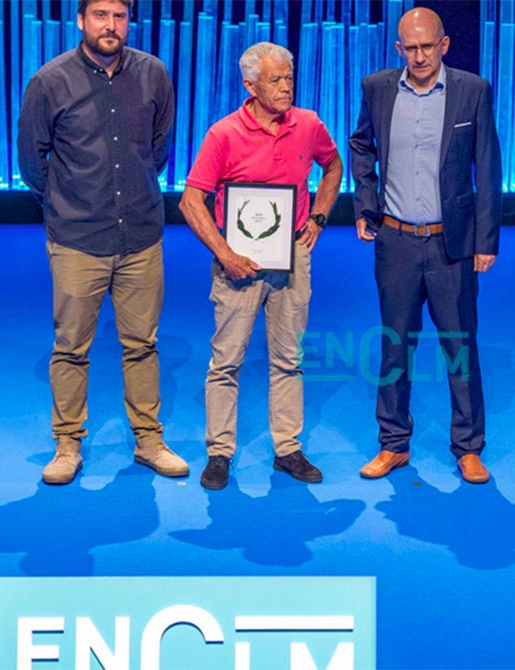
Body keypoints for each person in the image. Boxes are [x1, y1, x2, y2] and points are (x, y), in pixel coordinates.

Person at [18, 0, 186, 485]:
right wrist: (68, 202)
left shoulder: (154, 74)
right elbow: (33, 160)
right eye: (100, 15)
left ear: (128, 20)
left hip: (139, 233)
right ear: (80, 20)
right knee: (71, 346)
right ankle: (67, 446)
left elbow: (159, 147)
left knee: (142, 344)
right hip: (77, 237)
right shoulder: (50, 81)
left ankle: (149, 441)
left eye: (118, 15)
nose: (110, 26)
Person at [179, 42, 343, 491]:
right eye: (276, 80)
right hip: (238, 265)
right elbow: (191, 201)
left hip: (292, 257)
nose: (286, 86)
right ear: (250, 85)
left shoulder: (308, 124)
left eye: (289, 77)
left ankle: (287, 448)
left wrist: (320, 218)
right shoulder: (223, 134)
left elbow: (332, 166)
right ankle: (219, 451)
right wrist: (225, 254)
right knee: (226, 360)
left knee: (288, 359)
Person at [348, 8, 502, 484]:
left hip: (450, 244)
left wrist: (485, 238)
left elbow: (487, 166)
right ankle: (393, 444)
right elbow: (361, 145)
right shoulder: (377, 88)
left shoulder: (471, 91)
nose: (419, 56)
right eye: (409, 48)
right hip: (394, 241)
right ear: (398, 49)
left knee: (459, 346)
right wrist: (364, 205)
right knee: (395, 345)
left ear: (444, 45)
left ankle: (468, 448)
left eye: (426, 47)